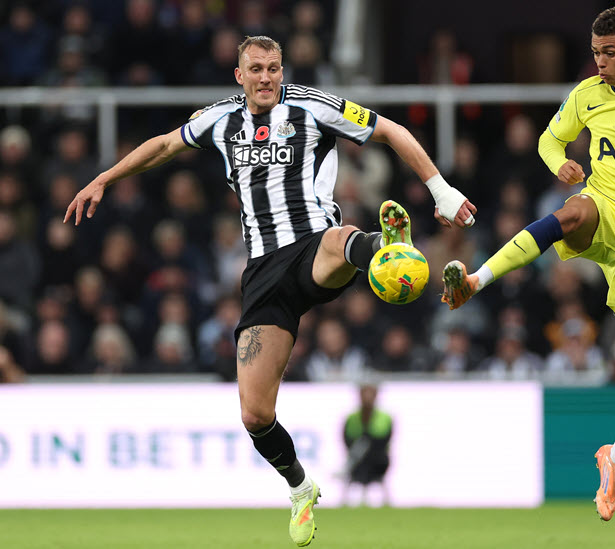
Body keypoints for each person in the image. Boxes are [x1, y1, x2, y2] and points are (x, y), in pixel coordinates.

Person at [65, 35, 476, 547]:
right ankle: (301, 488)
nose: (266, 76)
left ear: (283, 70)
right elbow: (167, 144)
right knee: (255, 413)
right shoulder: (219, 120)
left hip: (312, 244)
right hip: (263, 273)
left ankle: (383, 248)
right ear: (239, 75)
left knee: (338, 241)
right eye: (256, 68)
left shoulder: (314, 106)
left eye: (274, 67)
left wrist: (442, 189)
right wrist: (105, 177)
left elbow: (390, 130)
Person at [441, 7, 615, 521]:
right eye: (595, 52)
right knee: (571, 211)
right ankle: (476, 280)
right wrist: (561, 163)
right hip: (603, 210)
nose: (599, 62)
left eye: (609, 53)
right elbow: (552, 139)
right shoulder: (586, 94)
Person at [341, 384, 393, 506]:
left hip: (377, 460)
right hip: (358, 460)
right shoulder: (352, 418)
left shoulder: (384, 417)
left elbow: (383, 439)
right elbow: (346, 438)